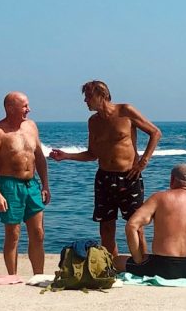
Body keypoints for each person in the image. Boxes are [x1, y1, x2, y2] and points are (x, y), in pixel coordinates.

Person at [49, 80, 162, 256]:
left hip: (129, 176)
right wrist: (66, 156)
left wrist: (143, 162)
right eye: (85, 97)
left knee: (136, 225)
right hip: (104, 178)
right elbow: (92, 154)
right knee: (106, 228)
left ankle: (142, 266)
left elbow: (155, 133)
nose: (85, 101)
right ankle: (111, 267)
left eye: (89, 96)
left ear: (102, 95)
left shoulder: (125, 111)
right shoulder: (93, 122)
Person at [0, 92, 50, 275]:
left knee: (38, 233)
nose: (29, 109)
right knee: (13, 235)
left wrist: (45, 185)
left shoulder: (31, 126)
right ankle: (12, 277)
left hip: (32, 184)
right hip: (9, 186)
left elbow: (40, 157)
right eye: (25, 106)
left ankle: (38, 275)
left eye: (28, 105)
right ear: (11, 108)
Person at [123, 163, 186, 280]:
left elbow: (132, 225)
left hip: (165, 267)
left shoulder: (159, 198)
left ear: (172, 179)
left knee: (117, 261)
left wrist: (138, 260)